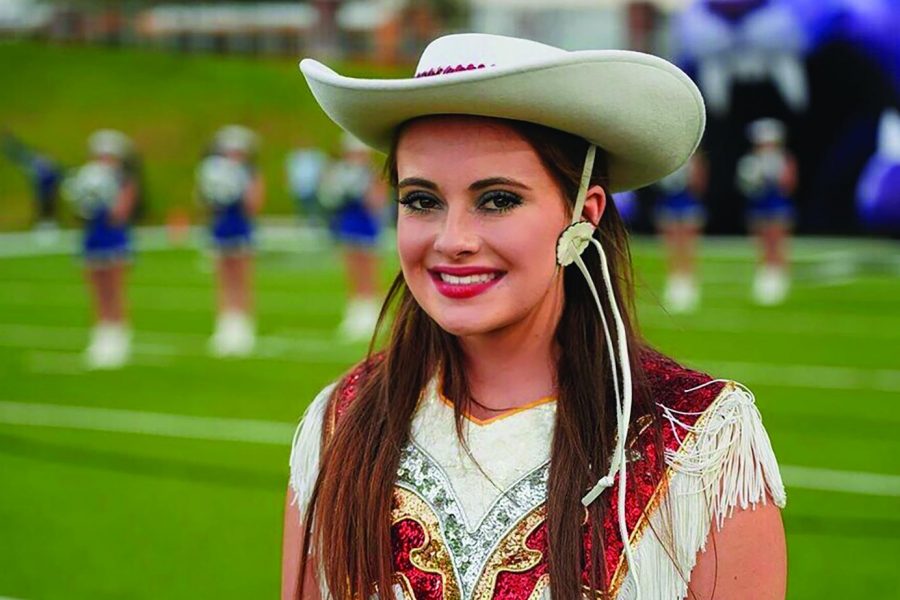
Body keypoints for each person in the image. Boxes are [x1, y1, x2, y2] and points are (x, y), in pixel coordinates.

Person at [284, 34, 787, 600]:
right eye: (422, 200)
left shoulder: (699, 444)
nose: (453, 241)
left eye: (497, 199)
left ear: (585, 214)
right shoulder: (341, 423)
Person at [64, 129, 138, 369]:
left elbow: (120, 213)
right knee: (96, 288)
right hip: (92, 236)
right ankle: (101, 334)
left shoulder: (123, 180)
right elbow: (78, 211)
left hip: (113, 237)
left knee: (114, 288)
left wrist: (105, 194)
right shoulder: (86, 177)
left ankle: (120, 336)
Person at [196, 125, 265, 357]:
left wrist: (240, 182)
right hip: (220, 228)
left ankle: (244, 325)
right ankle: (225, 323)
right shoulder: (213, 170)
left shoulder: (250, 172)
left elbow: (253, 205)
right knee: (222, 277)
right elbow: (204, 202)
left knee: (241, 277)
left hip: (241, 228)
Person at [318, 132, 388, 341]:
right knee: (351, 265)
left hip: (366, 224)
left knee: (369, 266)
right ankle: (355, 308)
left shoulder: (371, 173)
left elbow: (377, 202)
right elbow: (329, 197)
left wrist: (363, 188)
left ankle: (373, 310)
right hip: (347, 223)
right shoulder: (339, 172)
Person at [736, 118, 797, 306]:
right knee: (760, 241)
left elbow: (789, 185)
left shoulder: (784, 159)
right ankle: (763, 274)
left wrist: (775, 174)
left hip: (777, 204)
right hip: (759, 206)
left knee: (778, 239)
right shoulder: (750, 162)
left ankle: (780, 275)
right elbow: (745, 186)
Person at [653, 153, 708, 313]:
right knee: (670, 244)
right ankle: (674, 281)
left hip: (688, 202)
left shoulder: (695, 159)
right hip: (668, 203)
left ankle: (689, 282)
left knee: (688, 244)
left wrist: (690, 174)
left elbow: (700, 185)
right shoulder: (665, 156)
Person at [1, 130, 64, 244]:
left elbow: (60, 176)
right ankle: (42, 232)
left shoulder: (52, 168)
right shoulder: (35, 164)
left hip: (50, 196)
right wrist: (9, 141)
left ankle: (50, 231)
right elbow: (18, 153)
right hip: (41, 195)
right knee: (42, 209)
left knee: (49, 210)